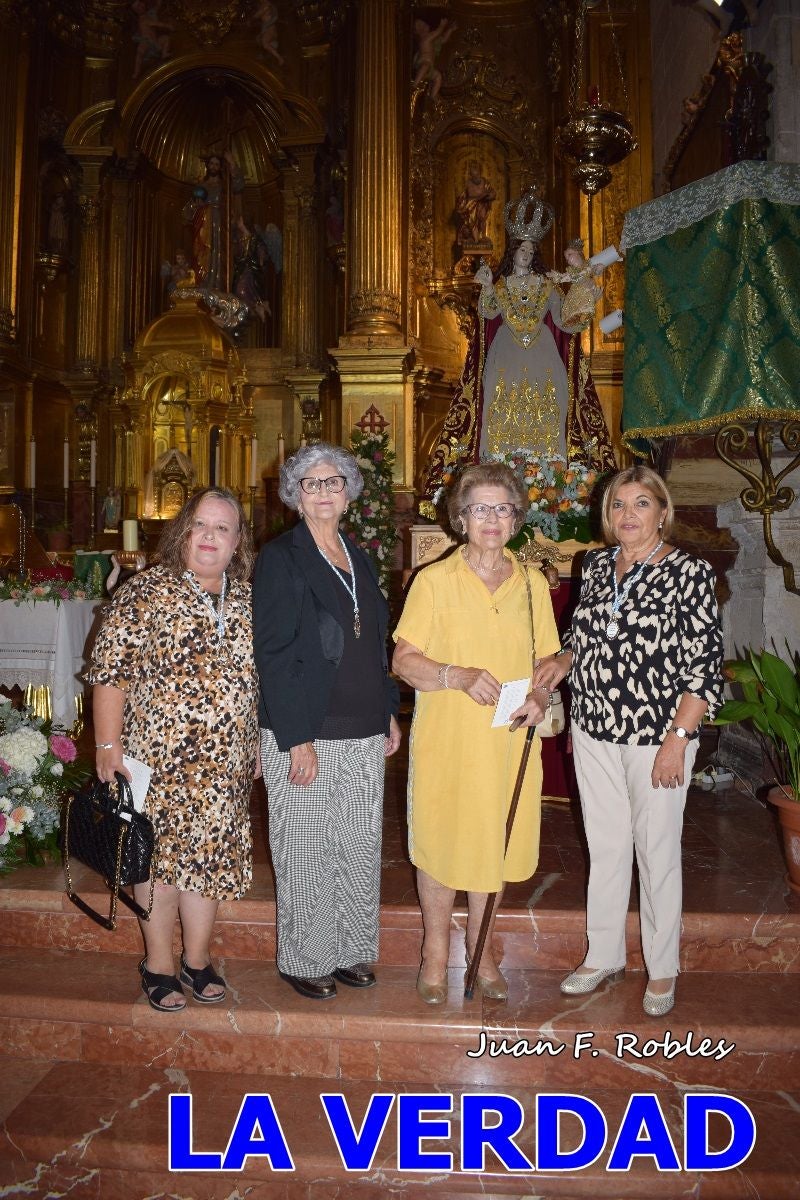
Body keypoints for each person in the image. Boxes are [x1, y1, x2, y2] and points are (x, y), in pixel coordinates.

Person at [533, 465, 723, 1017]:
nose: (628, 514)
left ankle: (662, 968)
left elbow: (704, 667)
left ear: (662, 512)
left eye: (641, 503)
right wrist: (562, 661)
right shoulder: (595, 565)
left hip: (656, 735)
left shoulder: (689, 572)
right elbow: (583, 637)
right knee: (607, 847)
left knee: (656, 852)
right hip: (595, 729)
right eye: (618, 504)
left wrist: (678, 740)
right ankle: (604, 955)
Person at [393, 462, 560, 1004]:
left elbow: (547, 662)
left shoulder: (532, 584)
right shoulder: (434, 581)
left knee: (495, 843)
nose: (492, 518)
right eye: (480, 508)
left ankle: (482, 948)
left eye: (503, 509)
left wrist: (541, 697)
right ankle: (435, 952)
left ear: (516, 519)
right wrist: (455, 675)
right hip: (448, 740)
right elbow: (403, 660)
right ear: (461, 518)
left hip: (507, 739)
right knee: (441, 842)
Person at [87, 488, 259, 1012]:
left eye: (223, 528)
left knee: (208, 858)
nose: (210, 536)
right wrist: (107, 745)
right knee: (157, 863)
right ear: (184, 531)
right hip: (156, 760)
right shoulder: (146, 590)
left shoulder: (250, 598)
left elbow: (262, 680)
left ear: (237, 542)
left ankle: (197, 959)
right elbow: (110, 672)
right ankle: (159, 963)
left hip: (225, 762)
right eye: (201, 524)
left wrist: (255, 741)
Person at [253, 443, 402, 1001]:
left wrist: (387, 710)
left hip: (364, 725)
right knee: (306, 847)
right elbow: (272, 653)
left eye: (333, 481)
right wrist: (295, 738)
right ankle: (305, 957)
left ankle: (350, 949)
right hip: (306, 729)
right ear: (295, 495)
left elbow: (375, 642)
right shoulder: (281, 557)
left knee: (358, 845)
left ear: (348, 493)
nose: (323, 491)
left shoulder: (356, 554)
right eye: (311, 483)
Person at [420, 191, 615, 517]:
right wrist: (485, 285)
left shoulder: (548, 285)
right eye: (522, 249)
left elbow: (565, 321)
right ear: (513, 253)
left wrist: (584, 294)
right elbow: (487, 312)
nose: (526, 254)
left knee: (549, 410)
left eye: (531, 250)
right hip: (505, 357)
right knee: (499, 409)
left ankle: (548, 490)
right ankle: (497, 487)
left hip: (544, 359)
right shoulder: (500, 286)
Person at [182, 152, 245, 290]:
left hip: (220, 222)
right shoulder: (201, 186)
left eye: (217, 164)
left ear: (220, 167)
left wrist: (232, 163)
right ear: (207, 166)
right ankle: (204, 282)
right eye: (211, 164)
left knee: (219, 251)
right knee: (203, 252)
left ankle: (217, 285)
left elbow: (239, 185)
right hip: (203, 224)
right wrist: (195, 206)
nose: (214, 167)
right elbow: (188, 211)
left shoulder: (224, 185)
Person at [455, 161, 496, 246]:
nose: (476, 178)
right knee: (472, 223)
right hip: (471, 205)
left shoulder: (484, 182)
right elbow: (470, 195)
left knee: (482, 219)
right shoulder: (469, 183)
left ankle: (483, 236)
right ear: (471, 175)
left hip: (482, 204)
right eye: (474, 176)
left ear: (480, 173)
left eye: (477, 175)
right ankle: (475, 239)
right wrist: (483, 195)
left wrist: (490, 195)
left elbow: (492, 192)